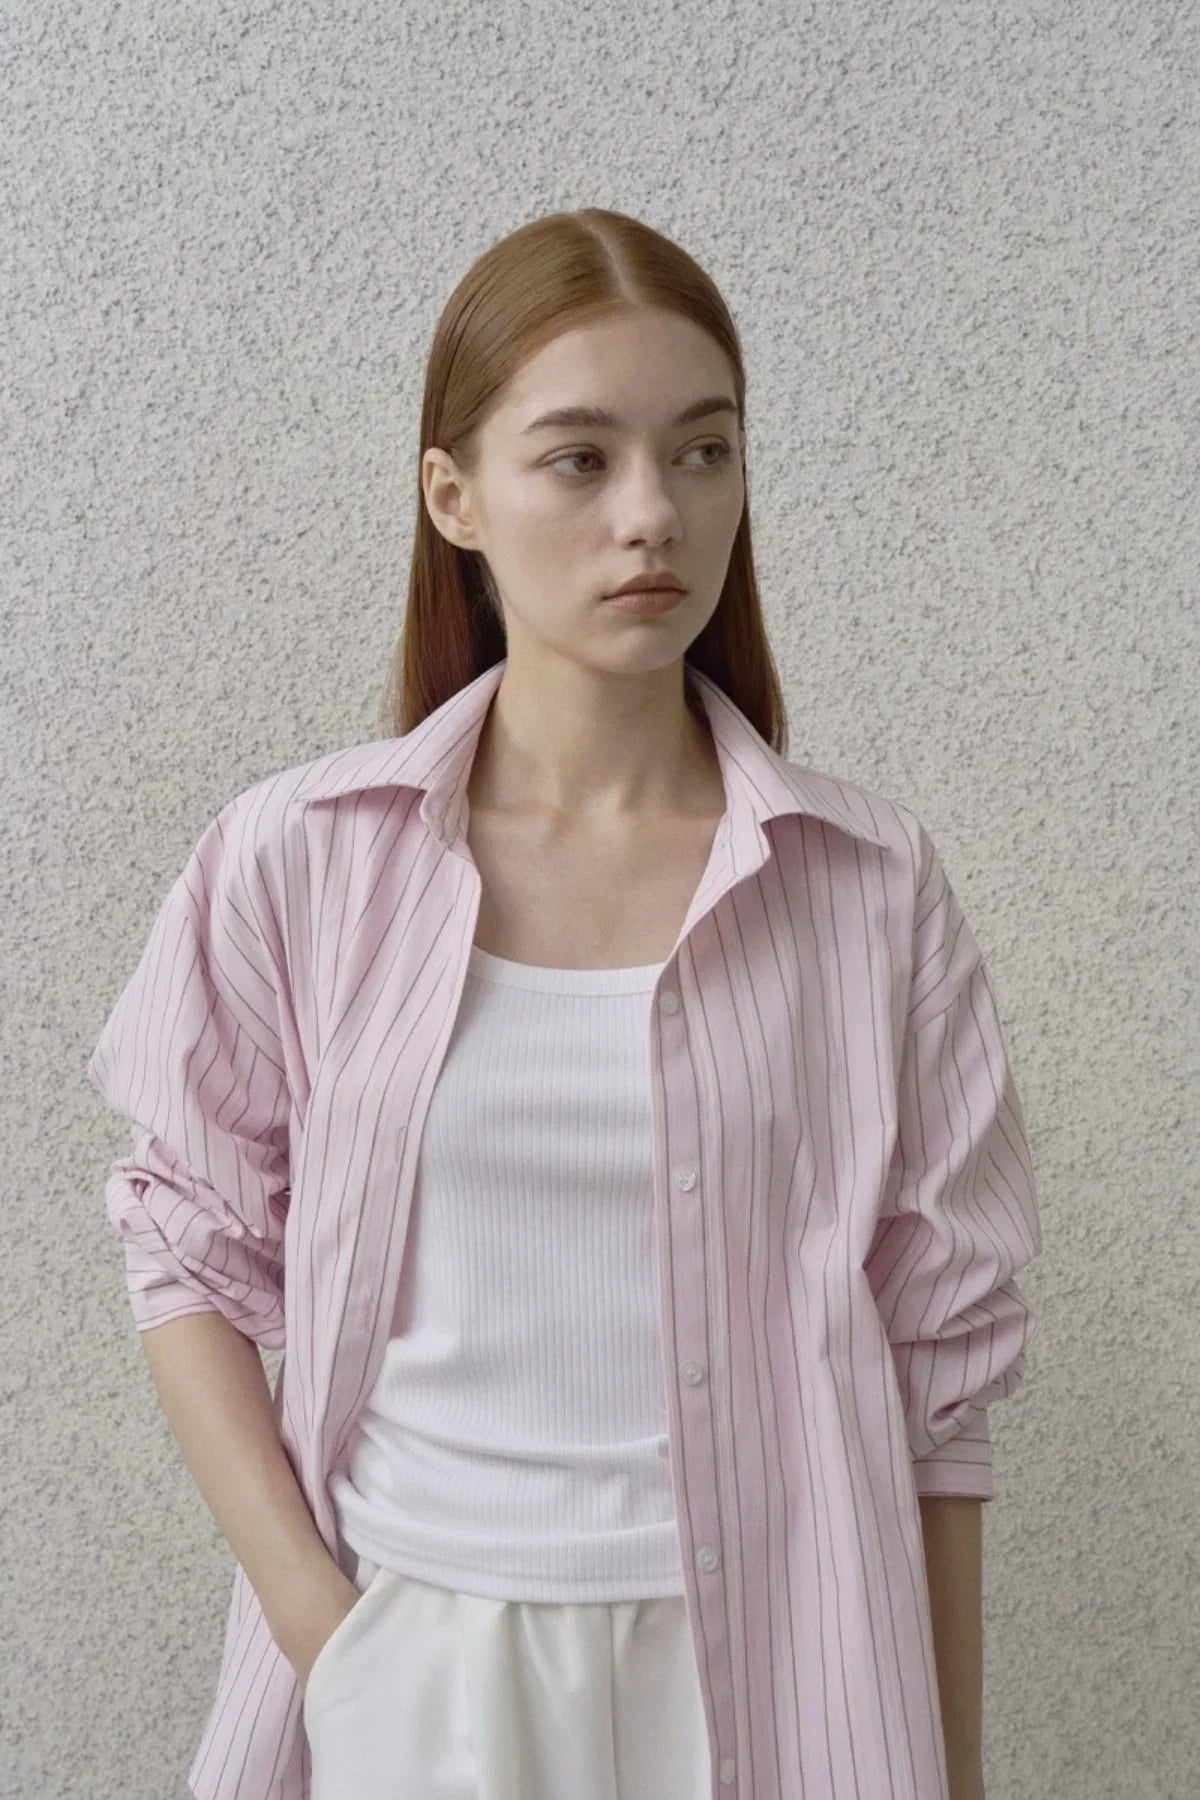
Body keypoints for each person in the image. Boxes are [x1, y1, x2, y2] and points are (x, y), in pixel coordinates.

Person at [87, 207, 1039, 1800]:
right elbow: (182, 1237)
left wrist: (945, 1771)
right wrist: (332, 1636)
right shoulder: (301, 863)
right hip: (418, 1658)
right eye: (580, 459)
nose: (653, 515)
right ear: (453, 497)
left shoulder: (868, 890)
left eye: (704, 451)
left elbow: (939, 1372)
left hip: (783, 1670)